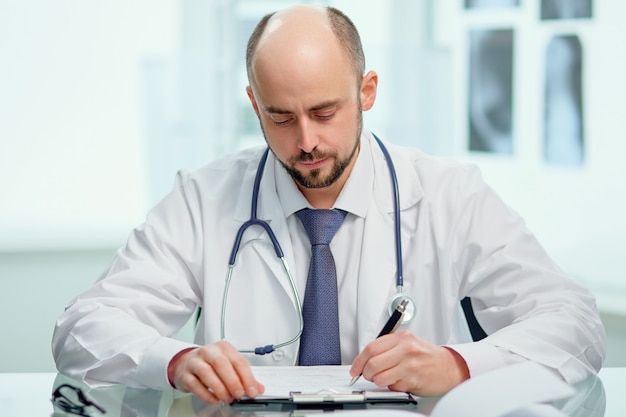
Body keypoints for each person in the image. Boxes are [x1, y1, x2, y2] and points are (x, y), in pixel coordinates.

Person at [52, 4, 606, 406]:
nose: (306, 141)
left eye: (324, 111)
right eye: (281, 117)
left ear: (366, 91)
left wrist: (458, 365)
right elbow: (82, 328)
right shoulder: (203, 198)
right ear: (253, 103)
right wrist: (173, 361)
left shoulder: (448, 195)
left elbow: (573, 322)